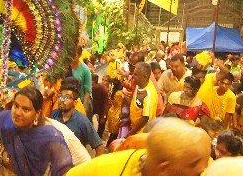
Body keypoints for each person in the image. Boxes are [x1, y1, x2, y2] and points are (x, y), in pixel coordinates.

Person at [67, 117, 211, 176]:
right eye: (197, 172)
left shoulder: (197, 162)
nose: (204, 171)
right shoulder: (100, 170)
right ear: (165, 169)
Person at [0, 86, 73, 176]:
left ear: (37, 113)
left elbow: (64, 172)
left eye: (25, 109)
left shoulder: (50, 137)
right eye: (16, 106)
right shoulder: (4, 121)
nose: (17, 113)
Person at [50, 77, 104, 155]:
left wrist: (94, 166)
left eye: (67, 97)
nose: (61, 100)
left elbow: (100, 147)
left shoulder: (82, 121)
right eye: (60, 96)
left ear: (75, 102)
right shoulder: (54, 115)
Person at [127, 62, 159, 137]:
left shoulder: (149, 94)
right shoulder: (140, 84)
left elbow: (145, 118)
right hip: (135, 129)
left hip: (142, 133)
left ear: (145, 76)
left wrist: (130, 133)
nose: (133, 76)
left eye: (136, 74)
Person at [71, 46, 93, 118]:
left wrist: (83, 108)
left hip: (81, 102)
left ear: (79, 55)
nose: (72, 57)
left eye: (75, 55)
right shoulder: (67, 67)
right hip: (68, 102)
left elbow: (88, 91)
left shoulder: (85, 70)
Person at [91, 74, 109, 138]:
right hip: (93, 107)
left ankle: (98, 140)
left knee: (101, 126)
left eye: (92, 84)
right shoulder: (89, 89)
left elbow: (106, 104)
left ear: (96, 83)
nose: (91, 86)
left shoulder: (104, 90)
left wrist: (103, 116)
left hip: (102, 109)